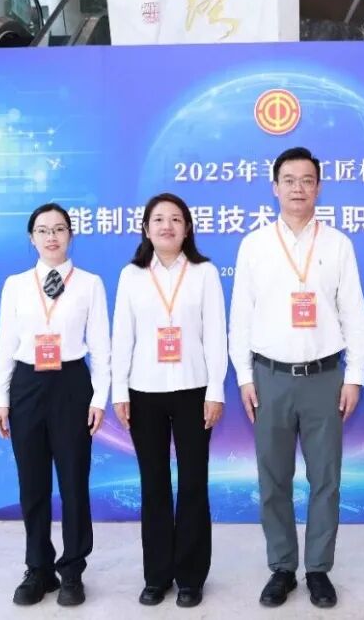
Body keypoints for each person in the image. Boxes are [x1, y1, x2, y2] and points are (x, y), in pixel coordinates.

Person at [229, 146, 364, 609]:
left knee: (325, 478)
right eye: (289, 180)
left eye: (307, 180)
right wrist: (245, 377)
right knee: (273, 478)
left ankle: (318, 569)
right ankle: (282, 567)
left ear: (318, 187)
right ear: (274, 187)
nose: (298, 188)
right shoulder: (254, 245)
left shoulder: (338, 244)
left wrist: (354, 377)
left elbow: (354, 314)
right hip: (269, 377)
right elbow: (241, 317)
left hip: (324, 378)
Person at [0, 202, 110, 607]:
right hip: (27, 385)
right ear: (32, 238)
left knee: (74, 481)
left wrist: (99, 398)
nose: (51, 236)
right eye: (43, 230)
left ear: (70, 235)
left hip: (71, 384)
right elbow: (5, 344)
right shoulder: (15, 285)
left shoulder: (90, 284)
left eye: (59, 229)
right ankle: (38, 569)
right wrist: (0, 398)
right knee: (33, 482)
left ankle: (72, 570)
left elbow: (102, 347)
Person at [110, 193, 226, 609]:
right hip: (144, 391)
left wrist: (216, 390)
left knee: (193, 483)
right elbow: (122, 336)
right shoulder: (131, 276)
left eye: (175, 219)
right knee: (154, 483)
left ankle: (191, 576)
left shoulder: (204, 273)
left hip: (194, 390)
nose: (167, 226)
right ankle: (157, 575)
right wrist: (119, 391)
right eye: (158, 219)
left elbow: (216, 335)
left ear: (187, 228)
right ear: (146, 228)